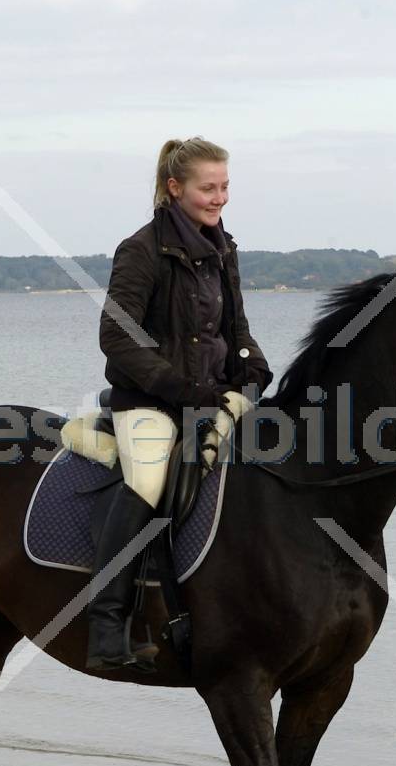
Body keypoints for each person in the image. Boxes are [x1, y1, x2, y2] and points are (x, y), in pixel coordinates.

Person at [85, 137, 270, 674]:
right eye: (208, 188)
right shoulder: (140, 249)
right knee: (147, 479)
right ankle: (107, 622)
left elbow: (235, 329)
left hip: (211, 396)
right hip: (148, 400)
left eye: (225, 187)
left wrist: (254, 368)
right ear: (175, 188)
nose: (220, 198)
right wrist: (182, 390)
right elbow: (116, 338)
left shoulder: (223, 246)